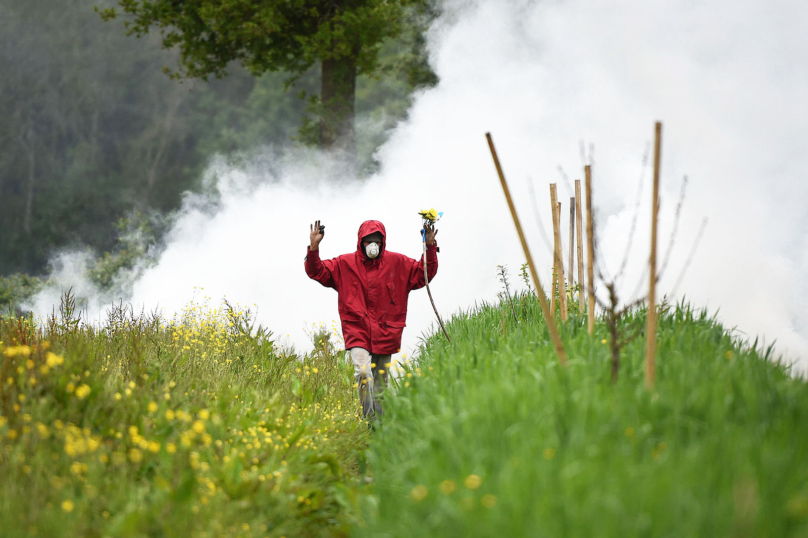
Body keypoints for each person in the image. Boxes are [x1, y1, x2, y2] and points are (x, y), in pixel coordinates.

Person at [304, 219, 439, 420]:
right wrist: (314, 248)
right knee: (363, 373)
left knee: (381, 383)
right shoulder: (344, 264)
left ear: (383, 243)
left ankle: (381, 427)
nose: (372, 245)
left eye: (376, 241)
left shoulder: (398, 263)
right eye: (368, 241)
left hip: (387, 332)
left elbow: (423, 273)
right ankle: (369, 421)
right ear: (361, 242)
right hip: (357, 331)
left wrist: (429, 246)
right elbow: (317, 271)